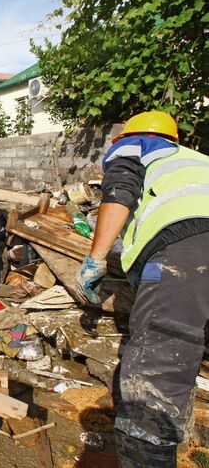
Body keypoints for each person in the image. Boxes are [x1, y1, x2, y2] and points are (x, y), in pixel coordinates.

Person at [73, 111, 209, 468]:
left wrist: (96, 258)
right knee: (189, 349)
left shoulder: (135, 146)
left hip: (187, 250)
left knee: (153, 371)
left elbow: (120, 194)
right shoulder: (195, 159)